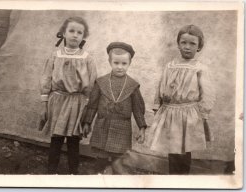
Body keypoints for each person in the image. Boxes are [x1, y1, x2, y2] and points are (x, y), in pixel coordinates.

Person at [147, 25, 215, 174]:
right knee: (173, 148)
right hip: (170, 112)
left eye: (192, 44)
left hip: (189, 114)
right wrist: (157, 106)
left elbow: (208, 93)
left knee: (184, 150)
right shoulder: (170, 66)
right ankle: (174, 179)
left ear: (199, 47)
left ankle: (183, 180)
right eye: (183, 42)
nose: (187, 47)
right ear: (178, 44)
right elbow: (160, 86)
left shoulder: (200, 68)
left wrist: (202, 114)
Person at [39, 17, 97, 174]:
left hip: (77, 103)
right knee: (56, 139)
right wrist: (44, 103)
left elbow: (91, 84)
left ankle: (73, 173)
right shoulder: (55, 55)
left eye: (80, 32)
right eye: (71, 31)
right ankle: (51, 172)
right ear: (63, 33)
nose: (75, 35)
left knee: (73, 140)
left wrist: (86, 107)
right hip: (57, 100)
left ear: (83, 36)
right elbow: (46, 78)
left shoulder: (87, 59)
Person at [82, 42, 147, 174]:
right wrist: (87, 122)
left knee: (118, 163)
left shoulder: (132, 85)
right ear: (110, 62)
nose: (120, 67)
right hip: (102, 126)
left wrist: (142, 128)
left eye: (124, 64)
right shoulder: (101, 82)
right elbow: (92, 105)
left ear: (129, 63)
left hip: (122, 128)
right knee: (100, 161)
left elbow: (138, 109)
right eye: (116, 63)